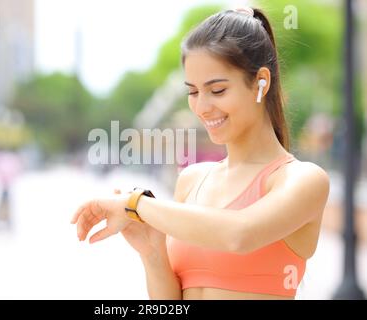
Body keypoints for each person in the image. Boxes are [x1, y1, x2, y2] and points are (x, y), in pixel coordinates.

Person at [71, 7, 330, 300]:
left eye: (217, 90)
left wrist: (135, 205)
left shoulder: (303, 179)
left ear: (261, 82)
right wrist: (153, 253)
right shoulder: (192, 180)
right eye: (193, 92)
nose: (202, 107)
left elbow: (238, 235)